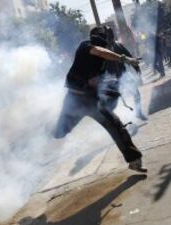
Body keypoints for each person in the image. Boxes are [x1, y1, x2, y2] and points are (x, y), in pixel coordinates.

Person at [53, 26, 147, 172]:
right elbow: (99, 51)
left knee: (116, 126)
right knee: (59, 132)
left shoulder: (102, 62)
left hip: (92, 101)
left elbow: (98, 78)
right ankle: (45, 131)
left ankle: (134, 160)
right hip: (74, 99)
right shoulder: (86, 46)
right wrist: (125, 59)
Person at [103, 26, 148, 121]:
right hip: (111, 78)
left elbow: (129, 57)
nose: (109, 37)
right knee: (111, 101)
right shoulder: (102, 51)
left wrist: (135, 65)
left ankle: (138, 112)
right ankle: (113, 121)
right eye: (107, 35)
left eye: (110, 34)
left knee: (136, 93)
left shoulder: (118, 45)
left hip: (124, 75)